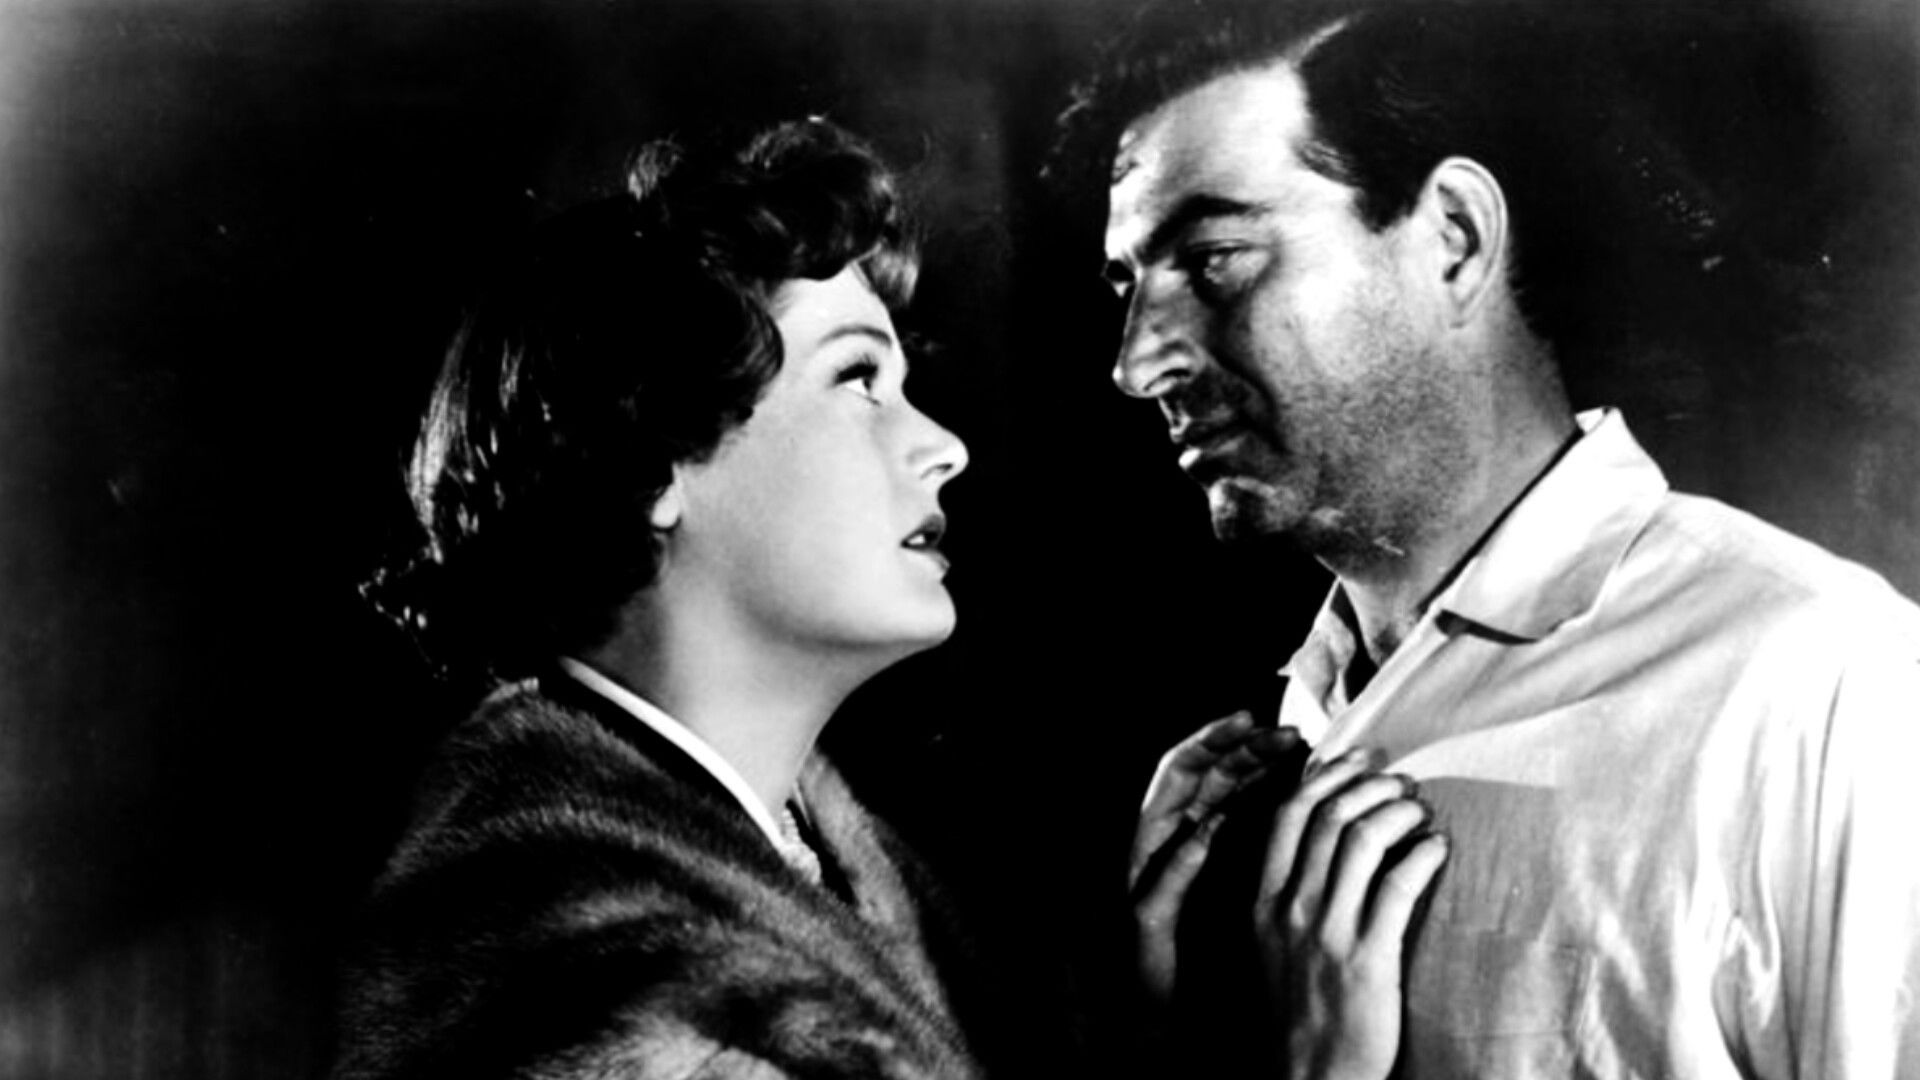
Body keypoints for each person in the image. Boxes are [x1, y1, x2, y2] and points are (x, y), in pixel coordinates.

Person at [333, 117, 1441, 1080]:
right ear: (652, 454)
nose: (944, 447)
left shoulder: (782, 861)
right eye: (859, 379)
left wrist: (1146, 1024)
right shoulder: (592, 983)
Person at [1054, 1, 1920, 1077]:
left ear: (1455, 238)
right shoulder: (1263, 757)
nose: (1136, 363)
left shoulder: (1824, 686)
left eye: (1215, 259)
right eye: (1129, 284)